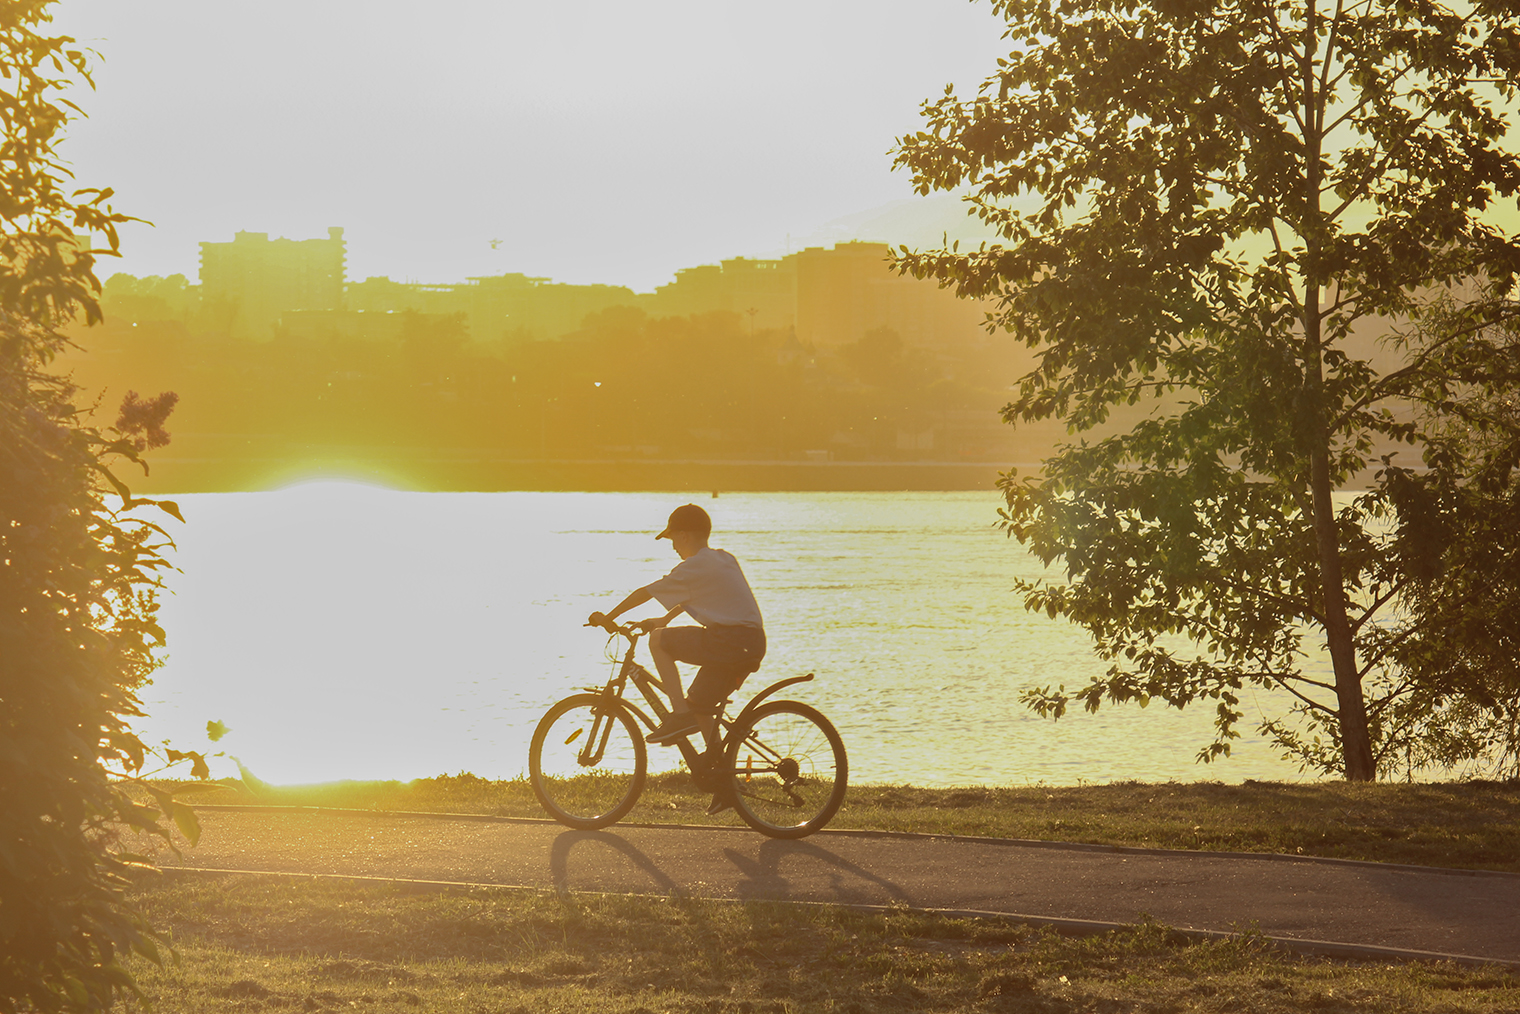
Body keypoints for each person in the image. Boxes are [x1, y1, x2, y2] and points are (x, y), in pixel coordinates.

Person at [587, 503, 766, 755]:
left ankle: (679, 716)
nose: (673, 546)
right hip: (752, 642)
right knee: (699, 705)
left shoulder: (693, 566)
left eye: (673, 538)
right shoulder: (723, 558)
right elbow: (696, 595)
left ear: (684, 535)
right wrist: (663, 619)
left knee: (658, 641)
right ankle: (718, 766)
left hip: (730, 640)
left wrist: (609, 617)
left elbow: (644, 593)